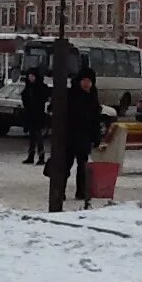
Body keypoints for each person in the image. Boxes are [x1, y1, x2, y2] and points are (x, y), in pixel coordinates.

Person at [63, 67, 102, 203]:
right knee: (65, 165)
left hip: (85, 137)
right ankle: (60, 190)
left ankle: (81, 192)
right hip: (70, 136)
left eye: (89, 81)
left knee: (83, 166)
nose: (87, 84)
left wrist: (96, 137)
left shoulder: (93, 96)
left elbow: (96, 119)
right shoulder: (71, 94)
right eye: (84, 80)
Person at [21, 67, 50, 166]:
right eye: (29, 76)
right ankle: (31, 155)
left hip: (38, 115)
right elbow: (25, 99)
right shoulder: (28, 88)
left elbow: (44, 98)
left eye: (32, 76)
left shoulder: (41, 87)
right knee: (32, 136)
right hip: (30, 114)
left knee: (38, 135)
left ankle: (41, 156)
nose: (31, 78)